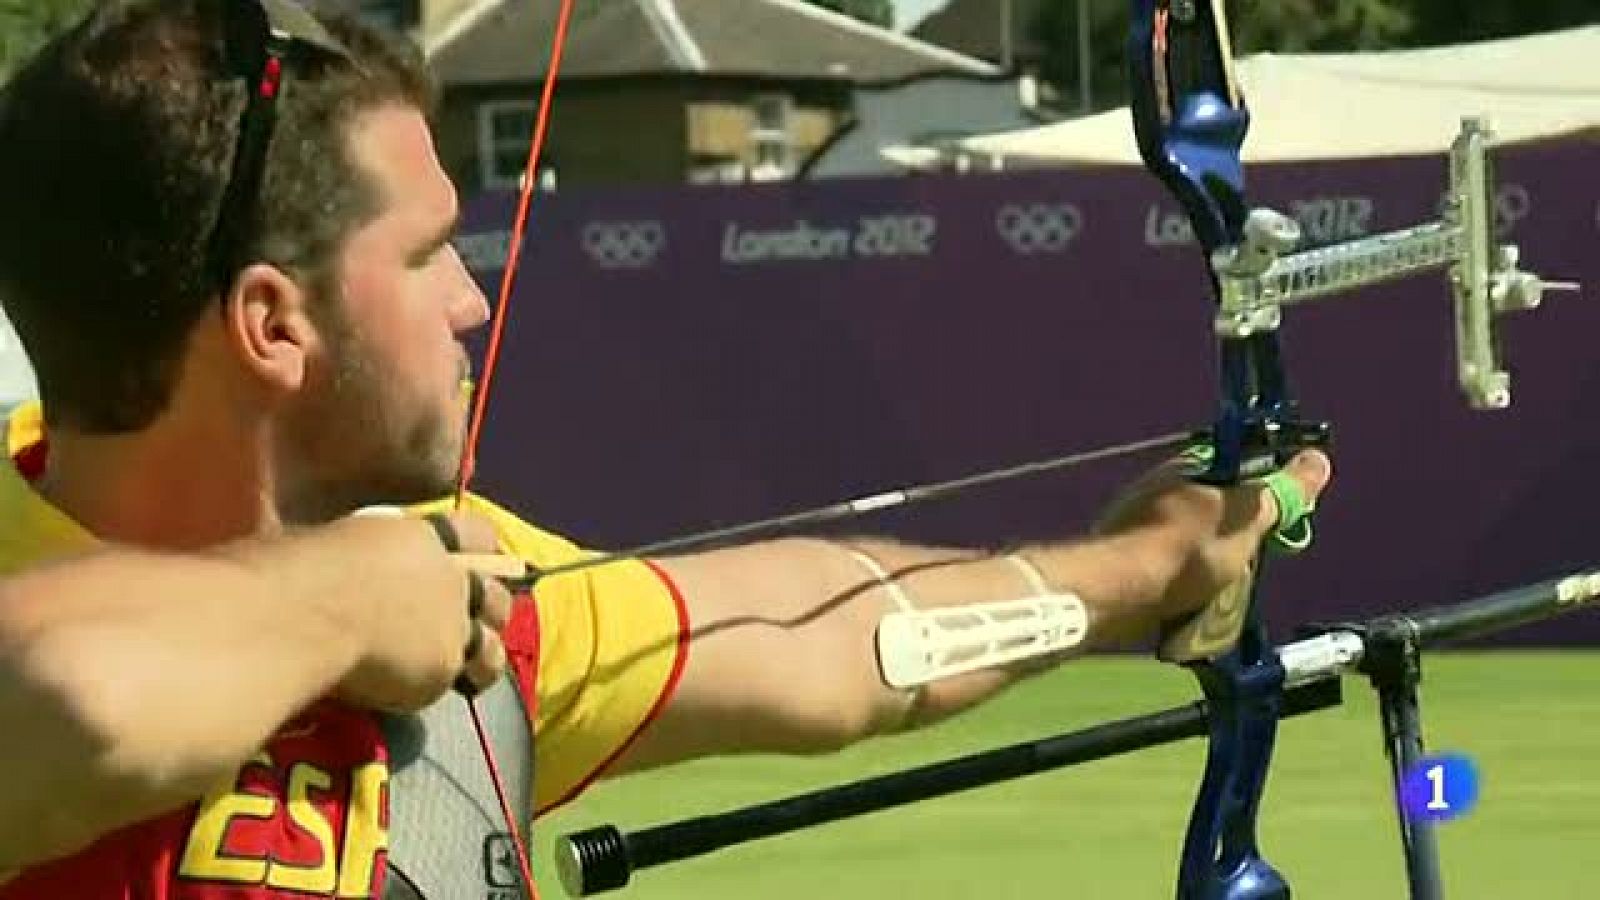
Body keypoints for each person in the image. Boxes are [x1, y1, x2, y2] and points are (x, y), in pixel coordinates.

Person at [0, 1, 1332, 897]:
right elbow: (76, 699)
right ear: (274, 326)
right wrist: (352, 601)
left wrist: (1141, 571)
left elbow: (821, 642)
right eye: (424, 257)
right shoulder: (358, 587)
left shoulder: (458, 592)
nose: (471, 299)